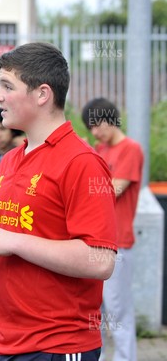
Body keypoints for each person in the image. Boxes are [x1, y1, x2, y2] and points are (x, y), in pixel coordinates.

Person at [0, 42, 118, 361]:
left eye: (7, 86)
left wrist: (12, 242)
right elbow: (17, 239)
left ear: (42, 94)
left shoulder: (81, 161)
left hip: (57, 346)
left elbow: (100, 260)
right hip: (3, 342)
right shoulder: (11, 159)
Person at [82, 97, 143, 361]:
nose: (95, 132)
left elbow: (113, 190)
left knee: (118, 311)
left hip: (119, 243)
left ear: (110, 120)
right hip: (95, 243)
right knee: (95, 311)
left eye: (96, 125)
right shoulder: (100, 149)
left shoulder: (130, 149)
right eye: (90, 128)